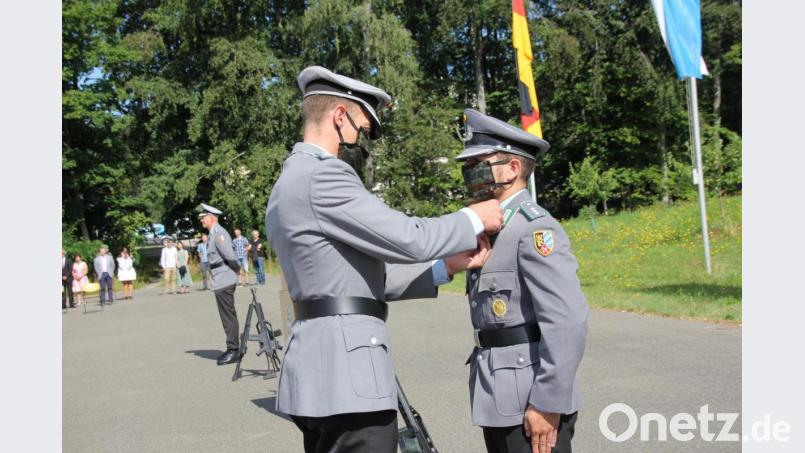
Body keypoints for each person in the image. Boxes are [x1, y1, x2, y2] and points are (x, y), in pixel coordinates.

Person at [265, 66, 503, 452]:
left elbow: (349, 281)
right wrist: (475, 217)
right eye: (360, 128)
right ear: (339, 116)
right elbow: (409, 238)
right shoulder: (323, 176)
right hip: (348, 380)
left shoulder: (288, 181)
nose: (358, 140)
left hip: (318, 374)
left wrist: (447, 267)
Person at [455, 109, 589, 453]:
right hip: (498, 395)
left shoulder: (534, 228)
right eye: (468, 167)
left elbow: (567, 320)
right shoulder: (494, 226)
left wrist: (548, 401)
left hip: (532, 400)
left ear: (513, 169)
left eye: (481, 164)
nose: (472, 174)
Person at [198, 204, 242, 365]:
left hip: (224, 277)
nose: (201, 221)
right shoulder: (213, 234)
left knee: (228, 315)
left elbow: (230, 256)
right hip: (219, 278)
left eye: (203, 218)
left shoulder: (219, 233)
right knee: (226, 315)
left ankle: (233, 350)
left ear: (211, 218)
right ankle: (232, 347)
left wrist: (237, 269)